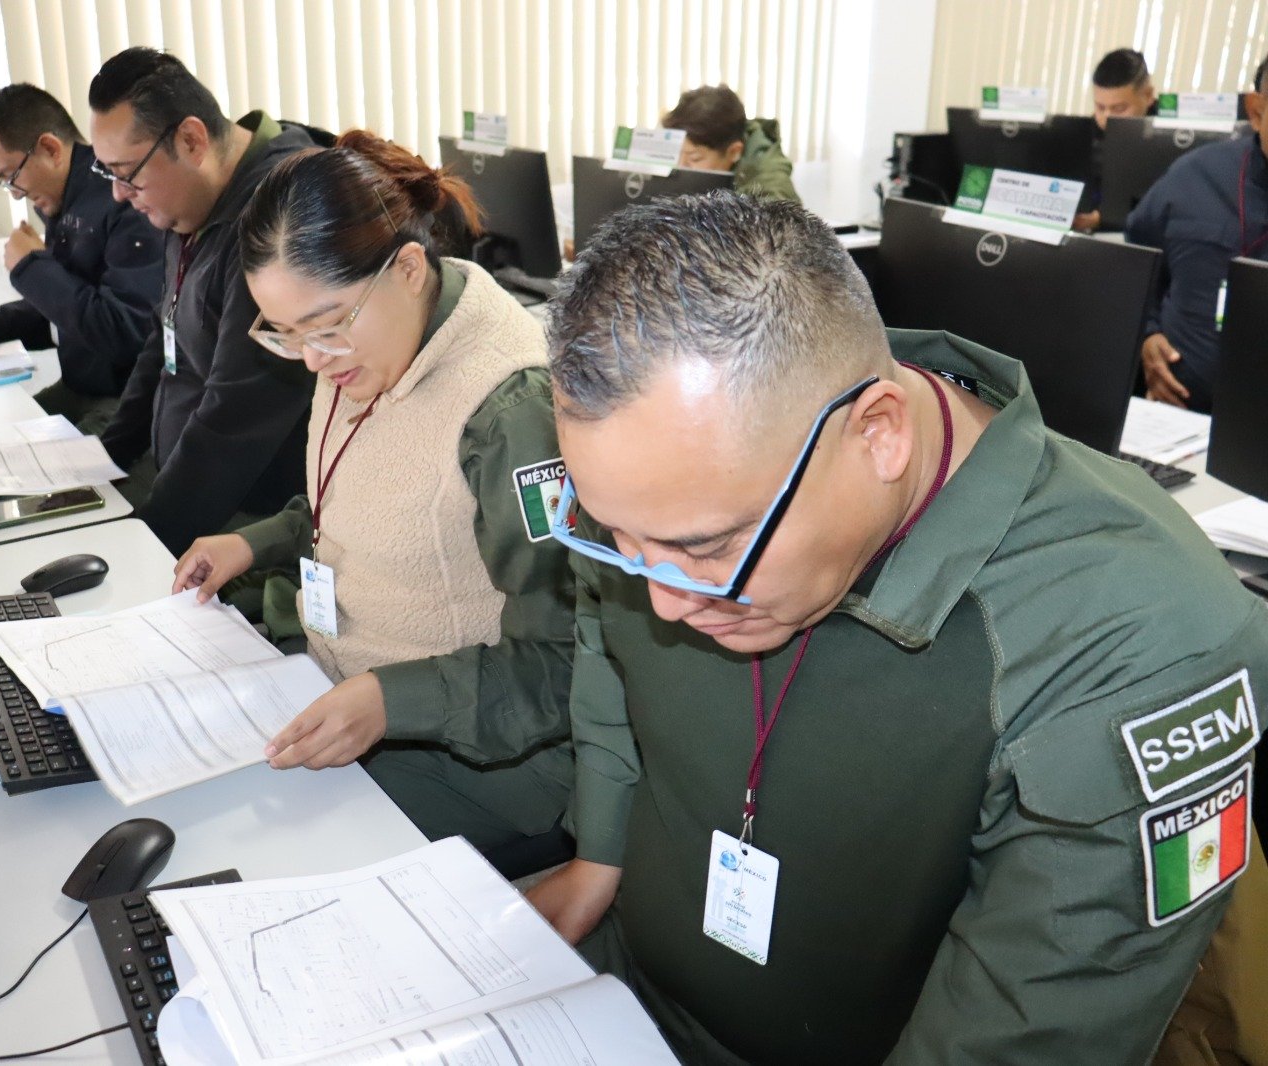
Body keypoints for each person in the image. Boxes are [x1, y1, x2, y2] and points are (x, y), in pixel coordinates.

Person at [528, 190, 1268, 1063]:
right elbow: (601, 639)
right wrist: (602, 850)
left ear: (880, 434)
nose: (661, 598)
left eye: (709, 548)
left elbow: (1019, 1042)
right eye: (615, 536)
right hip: (624, 994)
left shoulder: (1139, 639)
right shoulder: (677, 484)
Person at [170, 132, 574, 855]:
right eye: (285, 334)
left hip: (478, 758)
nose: (311, 360)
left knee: (259, 841)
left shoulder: (511, 413)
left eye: (325, 327)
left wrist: (393, 700)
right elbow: (367, 499)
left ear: (409, 269)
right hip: (344, 683)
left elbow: (562, 661)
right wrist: (253, 542)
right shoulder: (368, 347)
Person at [88, 48, 321, 552]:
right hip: (185, 486)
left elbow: (236, 417)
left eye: (127, 173)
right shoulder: (193, 200)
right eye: (109, 174)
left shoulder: (278, 220)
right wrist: (102, 464)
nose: (119, 195)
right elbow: (164, 336)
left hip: (250, 519)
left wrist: (149, 547)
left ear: (191, 140)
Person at [0, 84, 163, 432]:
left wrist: (31, 268)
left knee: (26, 462)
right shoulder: (63, 198)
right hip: (79, 387)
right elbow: (66, 305)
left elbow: (123, 331)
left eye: (11, 176)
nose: (15, 195)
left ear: (50, 149)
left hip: (127, 399)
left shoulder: (122, 199)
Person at [1127, 55, 1268, 412]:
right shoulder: (1194, 175)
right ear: (1257, 111)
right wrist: (1147, 333)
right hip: (1178, 416)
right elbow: (1135, 258)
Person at [663, 84, 800, 203]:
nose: (681, 165)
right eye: (678, 153)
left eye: (695, 158)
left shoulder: (771, 185)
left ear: (734, 152)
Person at [1075, 48, 1161, 232]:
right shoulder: (1086, 133)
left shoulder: (1171, 136)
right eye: (1100, 107)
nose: (1106, 118)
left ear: (1148, 96)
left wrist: (1104, 218)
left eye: (1119, 109)